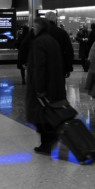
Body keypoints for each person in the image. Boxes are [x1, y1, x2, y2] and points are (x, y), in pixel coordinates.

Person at [26, 18, 66, 155]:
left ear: (39, 28)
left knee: (40, 115)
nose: (33, 29)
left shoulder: (39, 42)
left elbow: (39, 67)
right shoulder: (52, 40)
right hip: (54, 83)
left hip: (43, 85)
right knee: (47, 114)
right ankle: (49, 140)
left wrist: (39, 89)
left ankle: (46, 143)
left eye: (34, 27)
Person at [44, 12, 74, 78]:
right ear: (55, 20)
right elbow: (69, 51)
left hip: (44, 66)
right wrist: (68, 68)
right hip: (59, 65)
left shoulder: (41, 32)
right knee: (59, 86)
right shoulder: (62, 33)